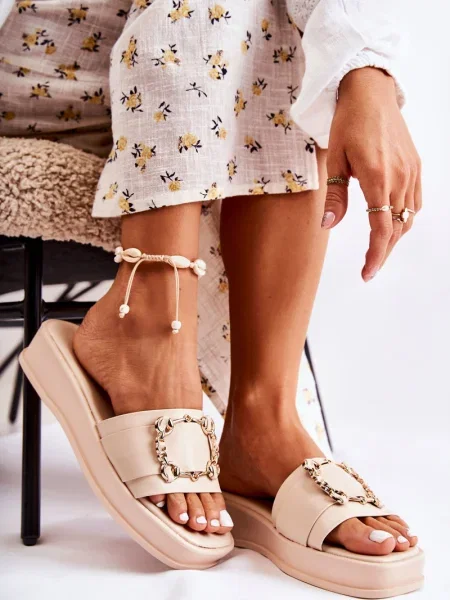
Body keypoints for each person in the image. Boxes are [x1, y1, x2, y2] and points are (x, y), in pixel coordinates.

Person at [1, 0, 424, 595]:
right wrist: (364, 66)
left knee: (283, 22)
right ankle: (151, 330)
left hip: (207, 87)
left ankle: (262, 416)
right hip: (51, 85)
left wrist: (366, 76)